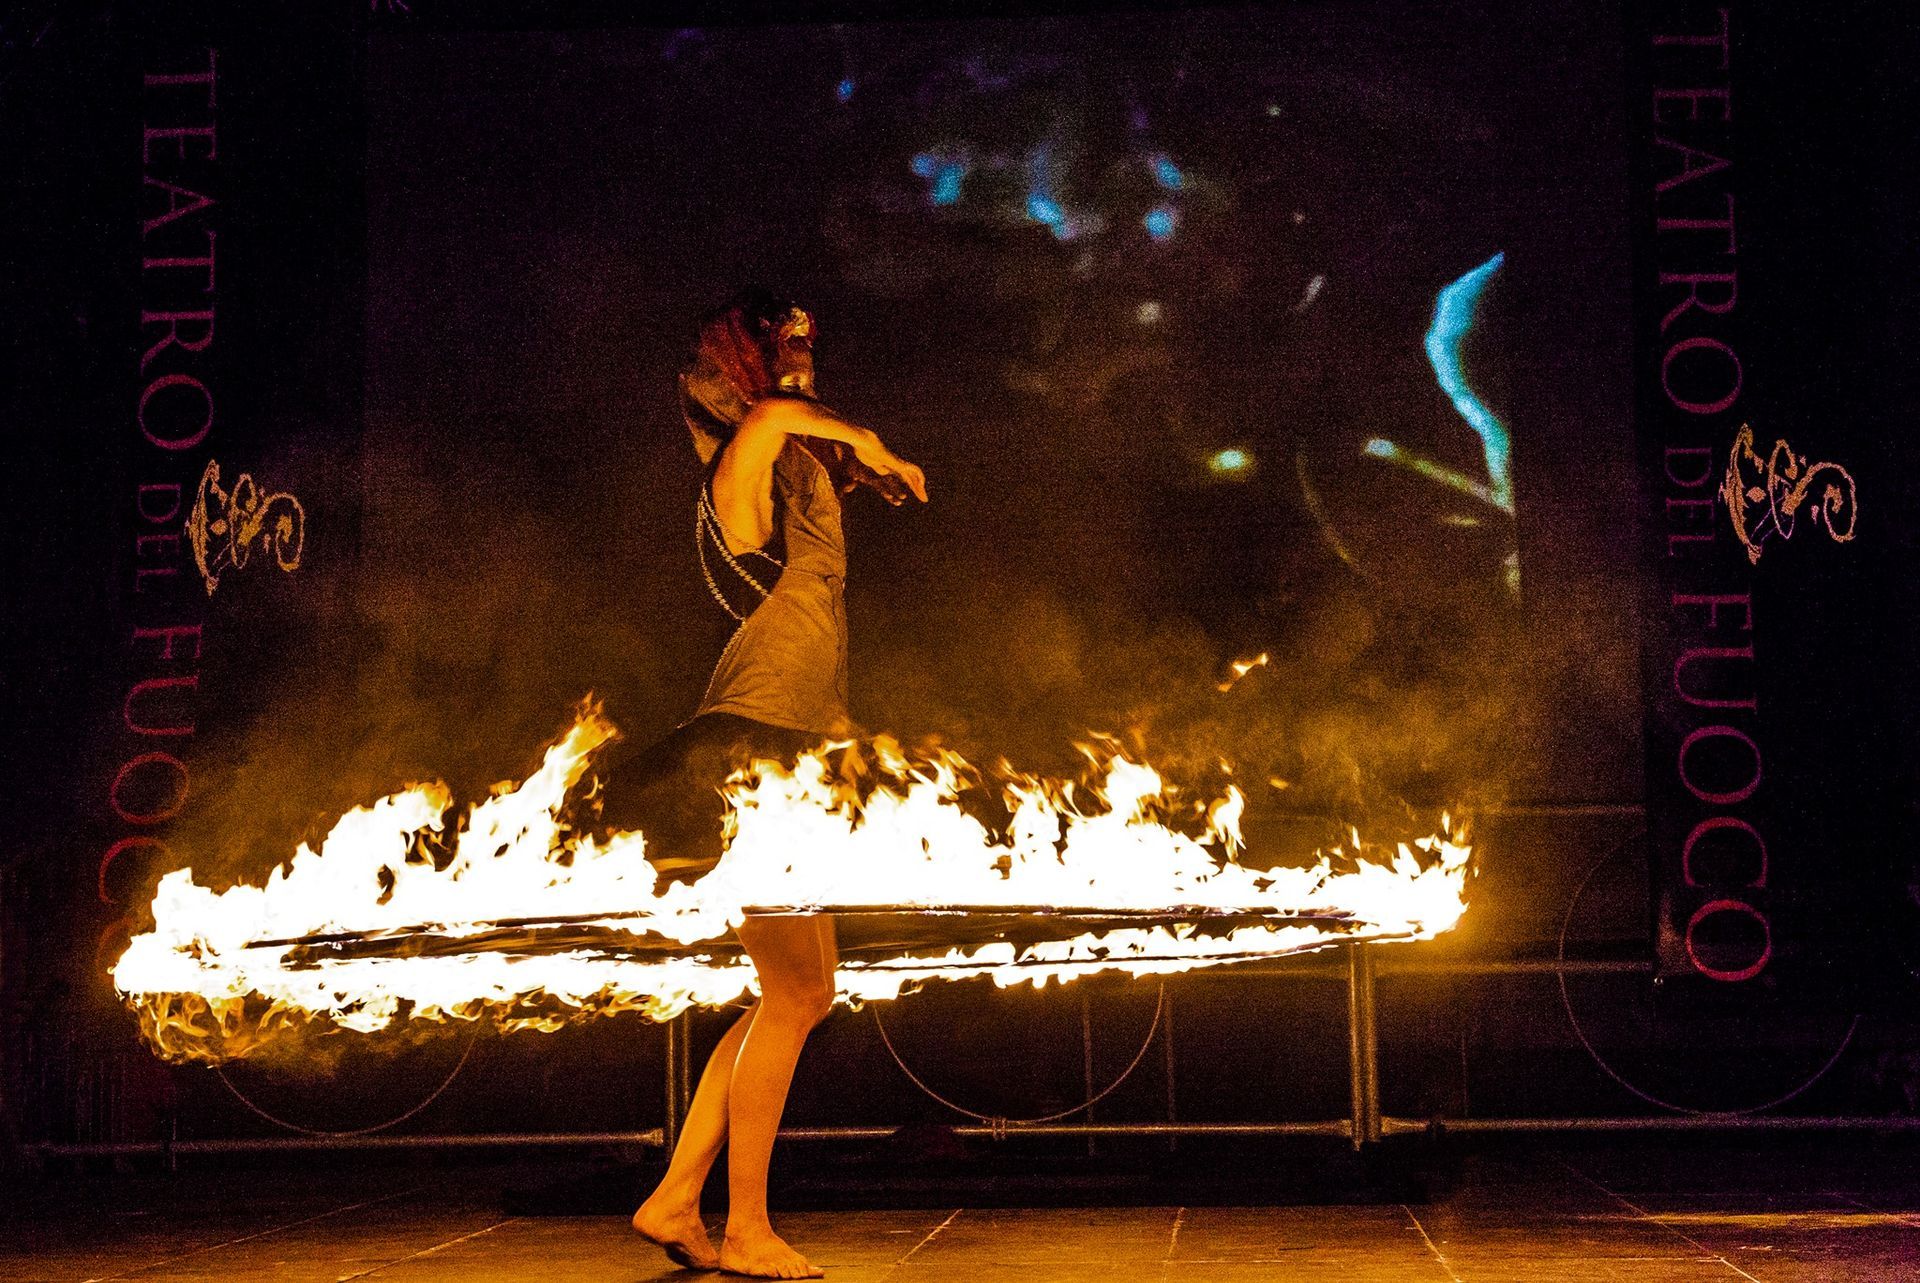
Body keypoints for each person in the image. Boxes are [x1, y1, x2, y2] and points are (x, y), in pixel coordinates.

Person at [627, 287, 927, 1279]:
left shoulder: (791, 470)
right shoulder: (735, 471)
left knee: (793, 990)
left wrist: (810, 368)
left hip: (783, 751)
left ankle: (678, 1196)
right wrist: (873, 443)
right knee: (797, 991)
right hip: (746, 752)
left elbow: (793, 400)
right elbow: (774, 412)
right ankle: (745, 1224)